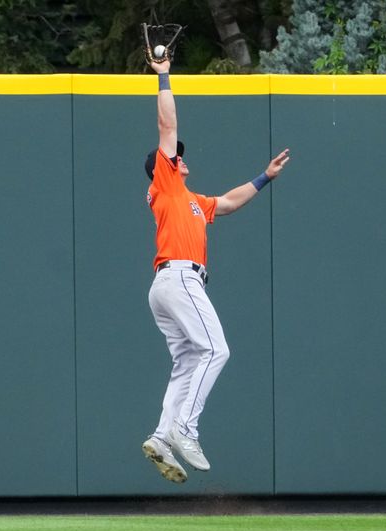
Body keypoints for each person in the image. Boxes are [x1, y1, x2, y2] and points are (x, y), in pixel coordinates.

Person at [140, 54, 290, 483]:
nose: (181, 158)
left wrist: (264, 177)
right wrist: (164, 75)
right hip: (179, 278)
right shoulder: (165, 183)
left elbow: (226, 203)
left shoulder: (192, 200)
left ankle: (162, 437)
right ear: (162, 168)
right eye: (174, 158)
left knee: (187, 362)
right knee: (216, 350)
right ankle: (186, 428)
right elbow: (167, 128)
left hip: (168, 285)